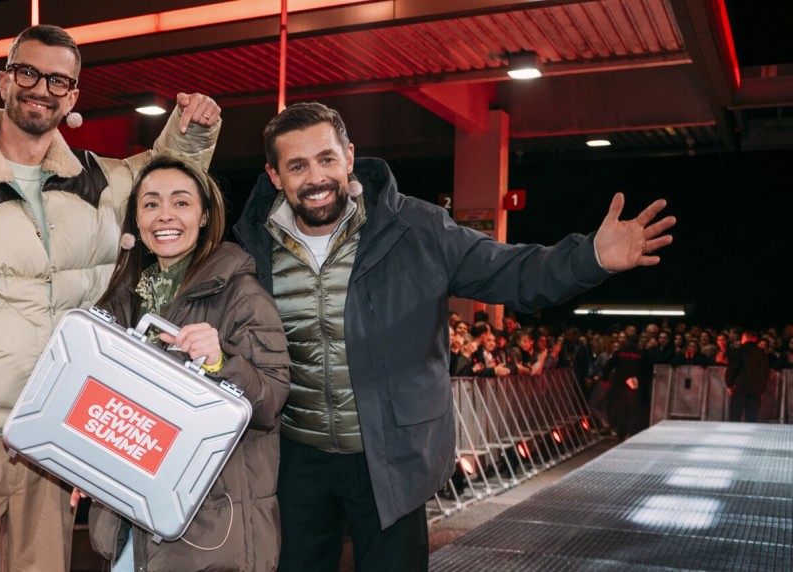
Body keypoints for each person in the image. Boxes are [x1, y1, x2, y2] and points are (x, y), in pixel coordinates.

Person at [232, 101, 674, 571]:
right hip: (295, 461)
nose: (316, 177)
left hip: (392, 459)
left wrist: (592, 259)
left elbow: (513, 272)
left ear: (349, 157)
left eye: (326, 159)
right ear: (275, 176)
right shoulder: (251, 248)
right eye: (297, 166)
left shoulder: (417, 230)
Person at [0, 23, 221, 571]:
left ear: (73, 96)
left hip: (52, 437)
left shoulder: (95, 181)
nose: (42, 89)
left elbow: (162, 184)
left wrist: (191, 131)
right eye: (28, 73)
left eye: (59, 80)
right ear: (4, 79)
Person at [82, 155, 290, 571]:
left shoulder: (240, 293)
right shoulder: (125, 297)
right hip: (132, 520)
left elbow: (271, 401)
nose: (165, 216)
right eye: (151, 204)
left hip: (212, 527)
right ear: (137, 221)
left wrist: (221, 360)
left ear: (204, 215)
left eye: (181, 203)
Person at [725, 330, 771, 422]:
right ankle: (752, 434)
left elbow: (733, 368)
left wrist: (729, 384)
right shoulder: (761, 353)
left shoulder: (739, 351)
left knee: (735, 414)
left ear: (745, 338)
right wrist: (762, 388)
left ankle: (733, 434)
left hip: (740, 386)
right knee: (752, 416)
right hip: (756, 388)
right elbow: (766, 371)